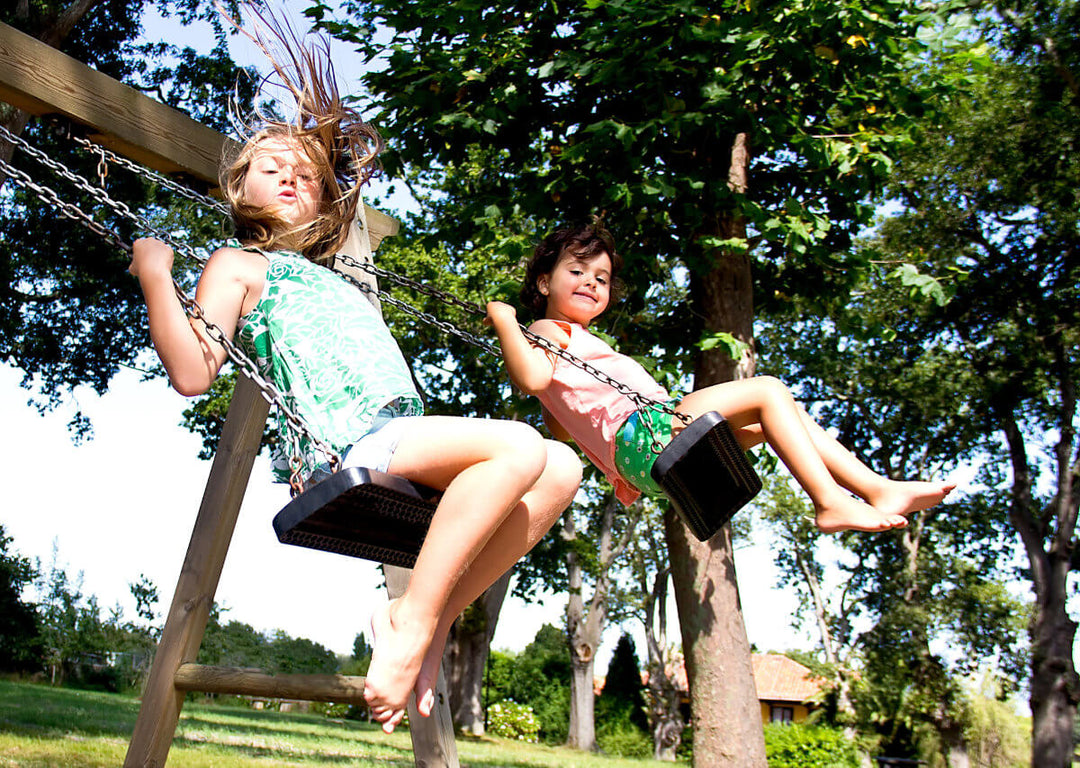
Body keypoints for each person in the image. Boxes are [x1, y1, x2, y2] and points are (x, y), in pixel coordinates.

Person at [128, 10, 581, 734]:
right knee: (521, 447)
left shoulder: (335, 276)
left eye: (305, 176)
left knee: (560, 466)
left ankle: (425, 626)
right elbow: (193, 370)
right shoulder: (238, 265)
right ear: (237, 189)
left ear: (324, 201)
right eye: (270, 169)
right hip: (343, 445)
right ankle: (410, 622)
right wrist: (157, 277)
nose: (289, 178)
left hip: (397, 434)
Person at [485, 221, 954, 534]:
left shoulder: (576, 345)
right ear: (545, 283)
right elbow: (530, 378)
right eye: (577, 270)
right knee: (769, 390)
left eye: (602, 278)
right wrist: (506, 321)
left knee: (776, 419)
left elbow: (564, 425)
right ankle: (831, 501)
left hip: (648, 459)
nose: (591, 281)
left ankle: (876, 489)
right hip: (649, 435)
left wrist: (566, 404)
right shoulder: (547, 329)